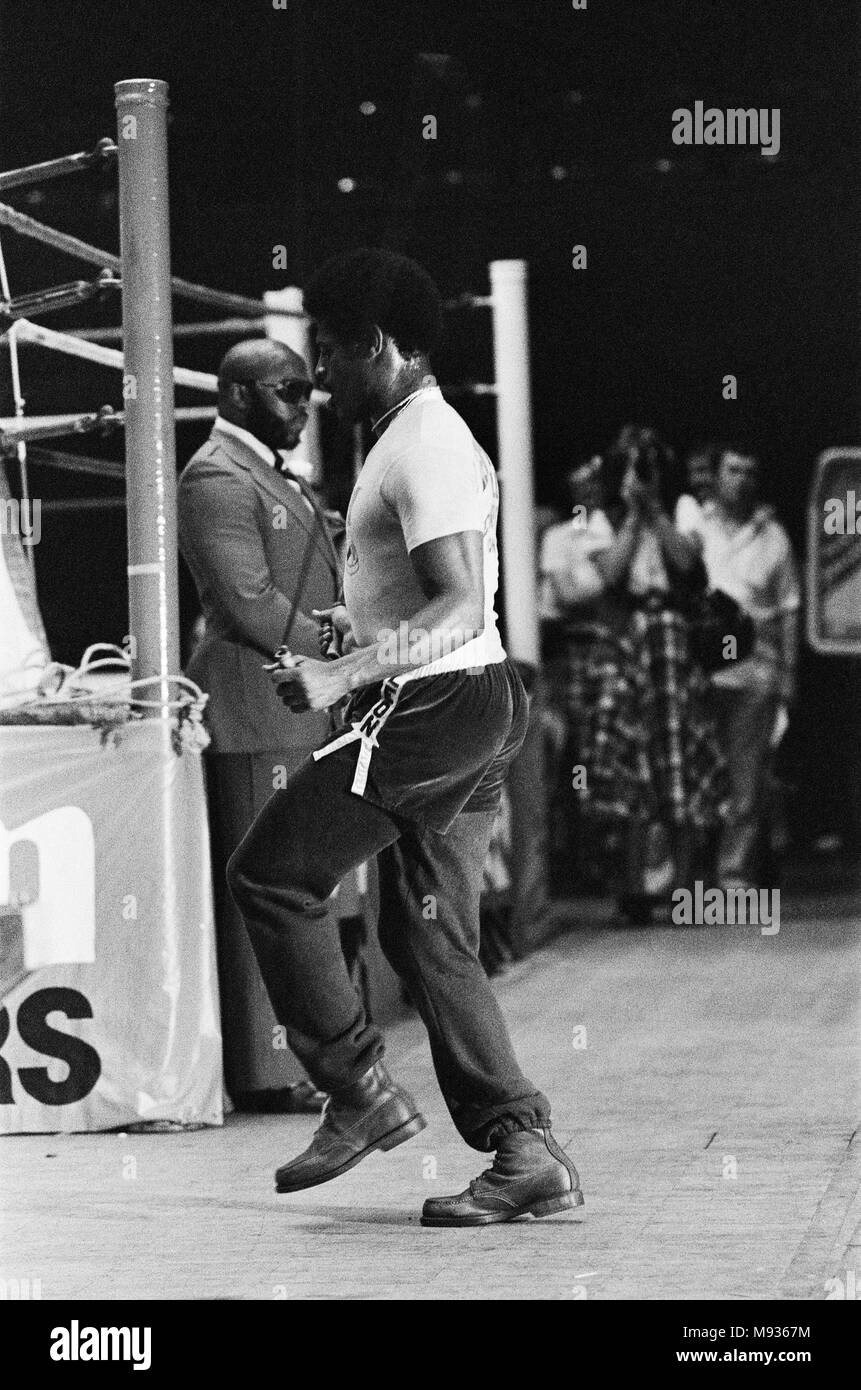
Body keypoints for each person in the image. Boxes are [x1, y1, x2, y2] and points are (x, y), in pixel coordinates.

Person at [227, 248, 583, 1226]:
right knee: (426, 935)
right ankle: (523, 1148)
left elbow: (464, 602)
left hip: (438, 710)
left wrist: (343, 672)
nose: (324, 376)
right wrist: (363, 627)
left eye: (334, 353)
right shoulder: (409, 437)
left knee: (271, 872)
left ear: (377, 345)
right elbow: (438, 600)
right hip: (469, 708)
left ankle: (355, 1091)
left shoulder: (424, 440)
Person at [178, 339, 346, 1115]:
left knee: (309, 892)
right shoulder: (216, 475)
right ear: (239, 395)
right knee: (270, 896)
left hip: (301, 704)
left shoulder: (268, 475)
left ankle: (314, 1059)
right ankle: (272, 1066)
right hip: (258, 706)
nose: (303, 407)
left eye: (307, 392)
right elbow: (248, 603)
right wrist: (350, 652)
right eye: (288, 392)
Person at [567, 425, 729, 922]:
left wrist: (656, 511)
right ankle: (633, 889)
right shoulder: (601, 520)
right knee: (625, 763)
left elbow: (687, 564)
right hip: (623, 641)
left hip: (672, 641)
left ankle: (682, 890)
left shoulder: (682, 508)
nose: (641, 473)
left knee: (677, 759)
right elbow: (609, 575)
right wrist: (634, 516)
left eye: (648, 464)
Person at [675, 445, 800, 890]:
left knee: (748, 775)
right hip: (700, 670)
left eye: (749, 471)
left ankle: (731, 872)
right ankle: (689, 873)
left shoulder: (775, 537)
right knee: (695, 771)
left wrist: (789, 677)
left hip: (756, 671)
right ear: (717, 474)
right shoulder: (694, 527)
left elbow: (788, 610)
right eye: (732, 469)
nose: (740, 479)